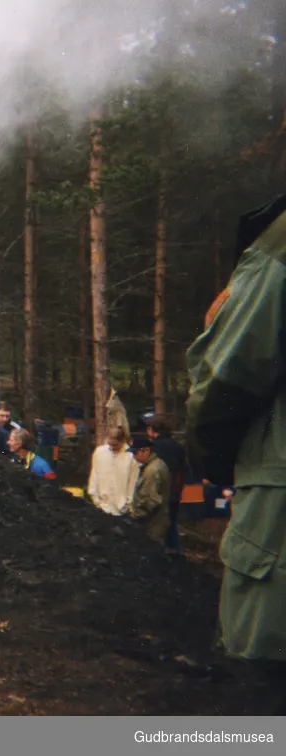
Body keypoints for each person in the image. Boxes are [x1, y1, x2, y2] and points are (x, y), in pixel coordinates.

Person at [185, 195, 286, 707]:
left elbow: (230, 371)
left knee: (262, 682)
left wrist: (213, 459)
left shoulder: (278, 247)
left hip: (279, 505)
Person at [143, 415, 188, 554]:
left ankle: (165, 554)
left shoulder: (154, 448)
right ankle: (175, 552)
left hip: (160, 492)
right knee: (172, 521)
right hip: (175, 491)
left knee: (159, 525)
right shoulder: (177, 447)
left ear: (150, 430)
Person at [126, 436, 172, 547]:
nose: (134, 456)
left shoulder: (152, 471)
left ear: (146, 450)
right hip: (158, 519)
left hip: (153, 523)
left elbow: (151, 501)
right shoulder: (157, 464)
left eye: (135, 452)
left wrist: (135, 518)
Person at [86, 426, 139, 516]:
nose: (113, 447)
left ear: (123, 441)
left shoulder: (131, 456)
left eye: (115, 445)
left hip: (121, 509)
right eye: (111, 444)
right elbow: (94, 475)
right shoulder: (100, 452)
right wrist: (95, 498)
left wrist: (128, 503)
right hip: (102, 507)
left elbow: (133, 482)